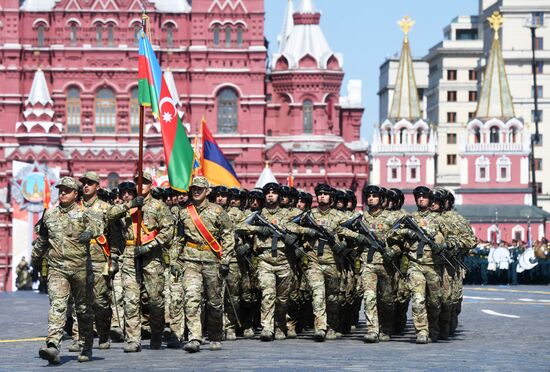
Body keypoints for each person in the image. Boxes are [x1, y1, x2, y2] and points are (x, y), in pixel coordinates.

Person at [32, 176, 105, 364]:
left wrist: (90, 232)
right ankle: (53, 346)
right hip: (58, 269)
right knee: (58, 306)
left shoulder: (84, 213)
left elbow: (99, 225)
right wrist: (35, 258)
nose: (62, 193)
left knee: (83, 310)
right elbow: (42, 239)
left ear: (75, 193)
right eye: (60, 190)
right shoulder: (50, 215)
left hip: (81, 269)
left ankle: (86, 345)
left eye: (67, 190)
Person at [107, 173, 174, 352]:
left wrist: (151, 245)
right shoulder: (126, 206)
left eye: (144, 183)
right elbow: (110, 215)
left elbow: (168, 230)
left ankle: (157, 332)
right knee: (130, 298)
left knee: (154, 299)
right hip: (130, 253)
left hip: (151, 255)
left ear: (150, 185)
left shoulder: (158, 206)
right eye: (137, 183)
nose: (140, 186)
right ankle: (133, 339)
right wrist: (130, 205)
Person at [294, 184, 365, 341]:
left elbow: (356, 230)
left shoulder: (339, 216)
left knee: (333, 299)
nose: (322, 196)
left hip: (333, 264)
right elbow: (289, 225)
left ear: (331, 198)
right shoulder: (308, 215)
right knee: (317, 295)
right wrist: (306, 231)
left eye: (325, 194)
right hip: (314, 263)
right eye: (319, 194)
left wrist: (344, 245)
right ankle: (320, 328)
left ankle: (332, 326)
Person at [236, 182, 300, 341]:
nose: (271, 195)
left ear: (279, 196)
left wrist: (295, 237)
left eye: (274, 192)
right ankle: (267, 327)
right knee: (268, 294)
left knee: (283, 299)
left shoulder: (288, 214)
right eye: (268, 192)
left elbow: (301, 228)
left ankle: (280, 325)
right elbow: (239, 227)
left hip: (284, 260)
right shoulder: (258, 215)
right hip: (264, 260)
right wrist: (258, 229)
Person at [177, 177, 235, 353]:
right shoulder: (184, 212)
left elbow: (228, 236)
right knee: (191, 299)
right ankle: (195, 337)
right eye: (194, 188)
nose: (196, 191)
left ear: (207, 191)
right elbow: (178, 239)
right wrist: (174, 260)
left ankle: (216, 335)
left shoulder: (218, 211)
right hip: (191, 260)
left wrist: (225, 260)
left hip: (212, 261)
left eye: (200, 189)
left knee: (214, 302)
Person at [358, 186, 400, 343]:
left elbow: (402, 241)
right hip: (368, 263)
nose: (370, 198)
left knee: (387, 300)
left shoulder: (391, 218)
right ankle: (372, 330)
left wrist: (393, 251)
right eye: (368, 195)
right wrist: (358, 237)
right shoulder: (362, 219)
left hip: (386, 265)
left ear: (382, 199)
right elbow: (342, 230)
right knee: (369, 297)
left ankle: (386, 328)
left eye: (374, 196)